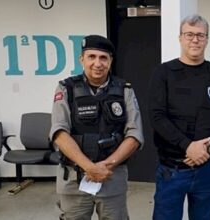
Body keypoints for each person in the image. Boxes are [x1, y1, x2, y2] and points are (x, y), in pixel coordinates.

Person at [148, 14, 210, 220]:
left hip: (207, 169)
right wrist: (188, 146)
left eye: (200, 35)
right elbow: (157, 116)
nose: (195, 40)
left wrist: (209, 146)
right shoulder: (163, 72)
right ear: (180, 38)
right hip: (172, 168)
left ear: (207, 39)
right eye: (189, 34)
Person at [50, 35, 144, 220]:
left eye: (103, 58)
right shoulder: (66, 88)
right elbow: (59, 132)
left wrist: (105, 166)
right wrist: (89, 167)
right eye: (91, 56)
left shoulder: (124, 89)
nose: (97, 63)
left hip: (112, 176)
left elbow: (135, 134)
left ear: (110, 61)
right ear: (81, 59)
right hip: (74, 178)